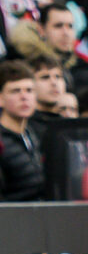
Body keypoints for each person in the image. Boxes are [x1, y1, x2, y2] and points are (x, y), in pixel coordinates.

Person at [0, 60, 45, 202]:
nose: (24, 97)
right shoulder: (2, 142)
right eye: (15, 91)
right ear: (1, 99)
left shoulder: (34, 135)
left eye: (29, 90)